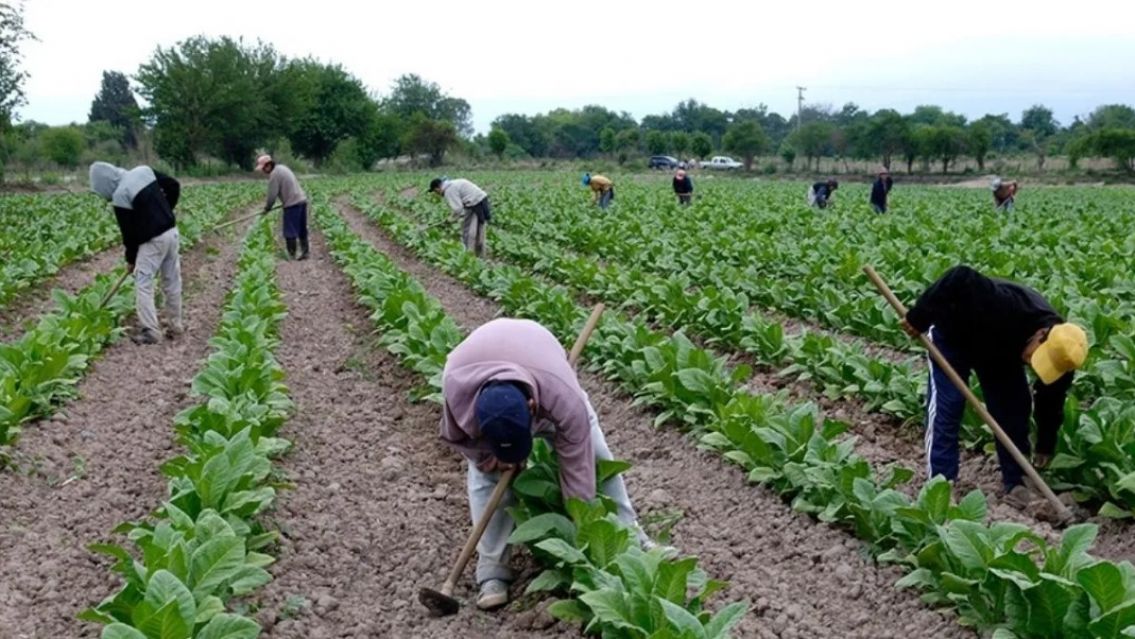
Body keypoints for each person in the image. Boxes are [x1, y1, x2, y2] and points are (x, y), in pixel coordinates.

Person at [440, 318, 651, 610]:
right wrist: (489, 458)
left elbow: (577, 468)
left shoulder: (560, 394)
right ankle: (492, 571)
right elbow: (459, 439)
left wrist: (585, 529)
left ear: (532, 409)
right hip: (478, 365)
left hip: (540, 358)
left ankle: (631, 538)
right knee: (484, 478)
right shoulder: (456, 390)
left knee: (597, 456)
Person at [901, 265, 1088, 508]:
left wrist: (1045, 444)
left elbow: (1050, 401)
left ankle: (1017, 481)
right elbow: (960, 276)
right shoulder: (1003, 304)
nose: (1033, 364)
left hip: (1001, 351)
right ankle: (939, 485)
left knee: (1014, 411)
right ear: (1041, 334)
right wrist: (919, 317)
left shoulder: (1065, 355)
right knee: (948, 407)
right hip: (954, 334)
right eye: (1036, 357)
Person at [89, 162, 182, 345]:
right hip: (171, 232)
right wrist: (165, 211)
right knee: (172, 280)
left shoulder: (120, 196)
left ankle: (151, 332)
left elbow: (129, 235)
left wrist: (131, 260)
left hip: (153, 241)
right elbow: (173, 185)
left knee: (143, 284)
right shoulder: (144, 171)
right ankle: (176, 325)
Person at [256, 154, 309, 260]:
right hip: (302, 200)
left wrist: (267, 208)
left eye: (263, 168)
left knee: (290, 231)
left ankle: (291, 255)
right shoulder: (282, 168)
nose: (263, 171)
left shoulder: (274, 175)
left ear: (268, 165)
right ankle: (305, 251)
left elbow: (272, 195)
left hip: (292, 203)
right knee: (301, 228)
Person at [429, 176, 491, 257]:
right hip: (482, 200)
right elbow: (460, 209)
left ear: (437, 188)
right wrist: (456, 217)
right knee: (480, 230)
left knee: (468, 232)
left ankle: (469, 255)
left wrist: (450, 219)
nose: (437, 194)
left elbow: (458, 209)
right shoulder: (453, 184)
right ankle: (480, 255)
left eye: (435, 191)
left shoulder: (448, 190)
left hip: (474, 204)